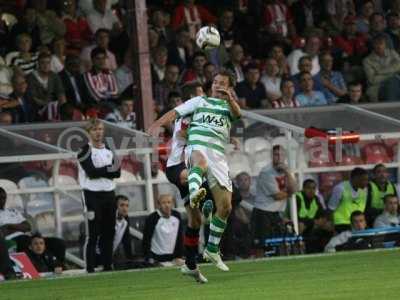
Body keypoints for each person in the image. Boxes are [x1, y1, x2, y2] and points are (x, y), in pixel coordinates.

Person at [148, 69, 241, 272]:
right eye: (213, 82)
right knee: (199, 168)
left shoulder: (223, 107)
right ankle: (199, 196)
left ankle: (191, 262)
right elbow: (181, 132)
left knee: (198, 218)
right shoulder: (195, 107)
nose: (214, 86)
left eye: (220, 83)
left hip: (210, 159)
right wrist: (157, 124)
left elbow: (237, 115)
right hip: (179, 163)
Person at [78, 118, 121, 273]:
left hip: (109, 193)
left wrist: (103, 170)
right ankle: (90, 268)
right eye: (94, 130)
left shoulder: (110, 148)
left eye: (100, 129)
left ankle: (108, 265)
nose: (98, 133)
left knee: (109, 231)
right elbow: (91, 172)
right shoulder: (84, 151)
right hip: (91, 195)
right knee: (93, 233)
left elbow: (118, 172)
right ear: (88, 132)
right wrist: (108, 170)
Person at [252, 145, 297, 257]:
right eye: (276, 155)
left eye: (281, 155)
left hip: (276, 213)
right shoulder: (266, 172)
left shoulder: (286, 170)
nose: (279, 158)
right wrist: (290, 192)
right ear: (272, 156)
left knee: (279, 242)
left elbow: (295, 188)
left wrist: (287, 173)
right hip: (262, 213)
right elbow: (277, 196)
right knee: (261, 245)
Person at [142, 194, 184, 265]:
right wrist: (149, 258)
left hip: (173, 257)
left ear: (172, 204)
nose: (167, 205)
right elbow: (146, 239)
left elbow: (180, 237)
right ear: (158, 205)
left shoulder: (177, 216)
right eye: (163, 203)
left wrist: (179, 256)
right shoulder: (152, 218)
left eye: (169, 202)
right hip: (156, 257)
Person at [328, 168, 369, 233]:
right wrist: (333, 228)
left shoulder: (364, 189)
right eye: (363, 180)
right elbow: (331, 209)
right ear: (355, 178)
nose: (366, 182)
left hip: (358, 223)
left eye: (367, 180)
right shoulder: (340, 188)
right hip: (341, 223)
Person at [363, 34, 400, 101]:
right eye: (376, 44)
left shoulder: (392, 53)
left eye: (381, 43)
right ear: (373, 45)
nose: (379, 46)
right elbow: (372, 80)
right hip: (377, 87)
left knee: (394, 82)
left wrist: (380, 72)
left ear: (385, 45)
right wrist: (392, 74)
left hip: (396, 82)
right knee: (392, 82)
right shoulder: (367, 60)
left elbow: (399, 66)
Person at [111, 195, 134, 267]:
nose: (125, 209)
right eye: (122, 205)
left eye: (127, 206)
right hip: (97, 255)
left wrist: (130, 260)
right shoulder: (109, 219)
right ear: (115, 207)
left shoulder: (126, 220)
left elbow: (126, 240)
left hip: (110, 255)